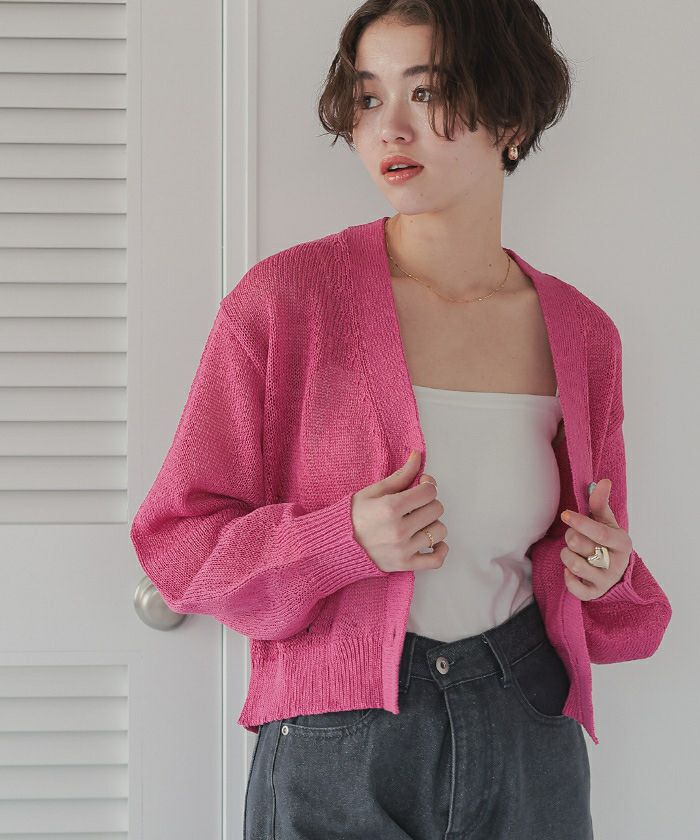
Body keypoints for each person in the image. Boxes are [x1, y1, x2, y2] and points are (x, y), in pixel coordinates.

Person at [130, 2, 672, 838]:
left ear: (511, 117)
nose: (391, 127)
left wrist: (604, 571)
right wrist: (339, 539)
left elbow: (600, 578)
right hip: (336, 747)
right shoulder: (284, 304)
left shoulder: (582, 334)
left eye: (428, 91)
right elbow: (178, 542)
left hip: (527, 731)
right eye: (369, 96)